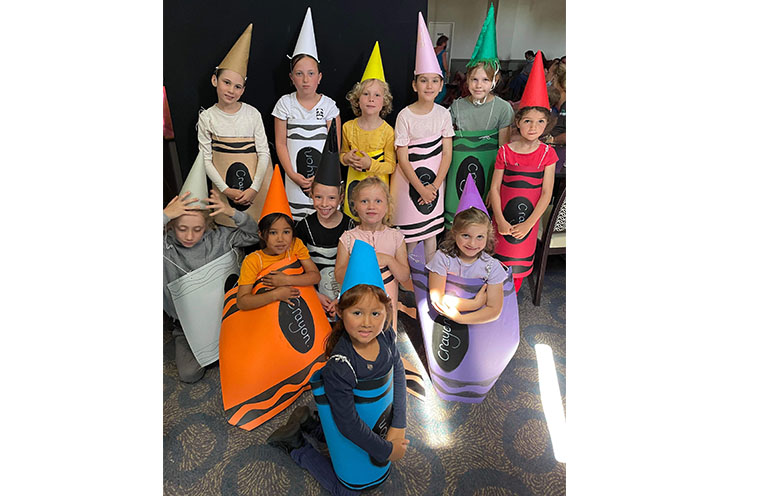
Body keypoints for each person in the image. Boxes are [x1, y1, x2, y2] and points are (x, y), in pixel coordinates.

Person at [266, 242, 408, 495]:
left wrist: (399, 424)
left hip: (374, 424)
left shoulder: (385, 334)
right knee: (347, 490)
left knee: (361, 448)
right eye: (357, 313)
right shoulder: (341, 367)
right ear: (341, 312)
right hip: (352, 428)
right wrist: (387, 451)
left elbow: (397, 368)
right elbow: (349, 425)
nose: (367, 323)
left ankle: (311, 424)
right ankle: (296, 445)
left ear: (386, 312)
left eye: (376, 313)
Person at [163, 188, 260, 383]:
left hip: (225, 315)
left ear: (207, 226)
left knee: (256, 351)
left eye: (197, 229)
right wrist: (165, 216)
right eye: (182, 228)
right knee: (189, 373)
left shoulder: (220, 238)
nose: (189, 236)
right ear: (172, 226)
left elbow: (255, 235)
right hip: (188, 325)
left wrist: (232, 212)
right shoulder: (165, 248)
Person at [489, 51, 557, 292]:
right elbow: (495, 188)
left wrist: (529, 224)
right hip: (502, 218)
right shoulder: (505, 151)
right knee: (498, 263)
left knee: (518, 265)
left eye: (540, 122)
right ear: (518, 122)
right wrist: (499, 218)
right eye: (528, 120)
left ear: (546, 124)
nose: (533, 127)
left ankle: (511, 300)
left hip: (529, 219)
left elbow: (547, 193)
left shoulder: (547, 154)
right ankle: (494, 300)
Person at [391, 12, 454, 263]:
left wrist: (434, 187)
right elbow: (403, 159)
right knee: (409, 237)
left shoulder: (444, 114)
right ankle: (405, 278)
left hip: (435, 182)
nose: (429, 85)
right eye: (423, 80)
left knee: (431, 234)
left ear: (441, 85)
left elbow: (446, 153)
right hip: (409, 183)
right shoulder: (404, 116)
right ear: (414, 85)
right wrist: (420, 188)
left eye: (434, 81)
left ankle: (430, 276)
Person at [444, 4, 514, 228]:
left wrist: (496, 187)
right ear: (467, 80)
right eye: (474, 79)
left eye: (485, 80)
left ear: (494, 81)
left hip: (488, 172)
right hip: (458, 171)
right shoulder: (456, 107)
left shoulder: (503, 109)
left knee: (480, 221)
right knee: (457, 221)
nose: (478, 85)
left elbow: (503, 151)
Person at [197, 24, 272, 228]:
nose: (231, 90)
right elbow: (206, 159)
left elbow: (263, 152)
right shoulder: (207, 118)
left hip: (256, 188)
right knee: (228, 227)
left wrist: (254, 188)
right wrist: (225, 190)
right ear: (215, 80)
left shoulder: (252, 114)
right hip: (224, 188)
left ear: (243, 90)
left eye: (238, 86)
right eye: (226, 82)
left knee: (258, 228)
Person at [273, 7, 341, 222]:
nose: (305, 80)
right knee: (296, 220)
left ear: (319, 77)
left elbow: (334, 147)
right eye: (299, 74)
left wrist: (320, 177)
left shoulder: (329, 106)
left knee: (323, 218)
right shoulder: (285, 104)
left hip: (323, 180)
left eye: (311, 74)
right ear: (291, 77)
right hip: (294, 178)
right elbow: (280, 143)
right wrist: (293, 175)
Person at [295, 120, 355, 318]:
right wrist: (314, 294)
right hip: (313, 295)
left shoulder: (350, 226)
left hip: (346, 296)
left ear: (340, 198)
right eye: (318, 197)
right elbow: (297, 265)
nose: (324, 204)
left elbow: (355, 267)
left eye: (331, 198)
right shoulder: (304, 227)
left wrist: (342, 297)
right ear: (311, 195)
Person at [336, 177, 409, 329]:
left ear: (387, 205)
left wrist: (388, 260)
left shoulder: (396, 237)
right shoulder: (348, 238)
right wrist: (360, 262)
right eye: (364, 201)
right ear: (355, 205)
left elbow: (404, 277)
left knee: (385, 337)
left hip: (386, 310)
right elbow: (339, 276)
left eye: (378, 201)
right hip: (356, 308)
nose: (371, 206)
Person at [340, 41, 396, 222]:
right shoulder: (348, 127)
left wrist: (369, 163)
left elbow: (391, 166)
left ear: (384, 101)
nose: (371, 99)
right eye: (366, 94)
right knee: (354, 221)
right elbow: (341, 155)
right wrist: (346, 158)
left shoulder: (388, 131)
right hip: (354, 185)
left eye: (377, 95)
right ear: (357, 99)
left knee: (375, 223)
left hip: (378, 189)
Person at [427, 200, 506, 324]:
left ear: (487, 236)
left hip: (478, 324)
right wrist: (475, 304)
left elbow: (494, 310)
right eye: (466, 235)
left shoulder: (493, 267)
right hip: (444, 321)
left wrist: (460, 318)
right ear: (454, 233)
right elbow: (438, 301)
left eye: (480, 237)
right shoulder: (442, 258)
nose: (472, 243)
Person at [433, 35, 449, 104]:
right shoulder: (443, 52)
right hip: (440, 72)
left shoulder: (433, 49)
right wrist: (447, 71)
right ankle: (436, 102)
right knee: (442, 90)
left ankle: (431, 101)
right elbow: (444, 64)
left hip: (432, 71)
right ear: (443, 43)